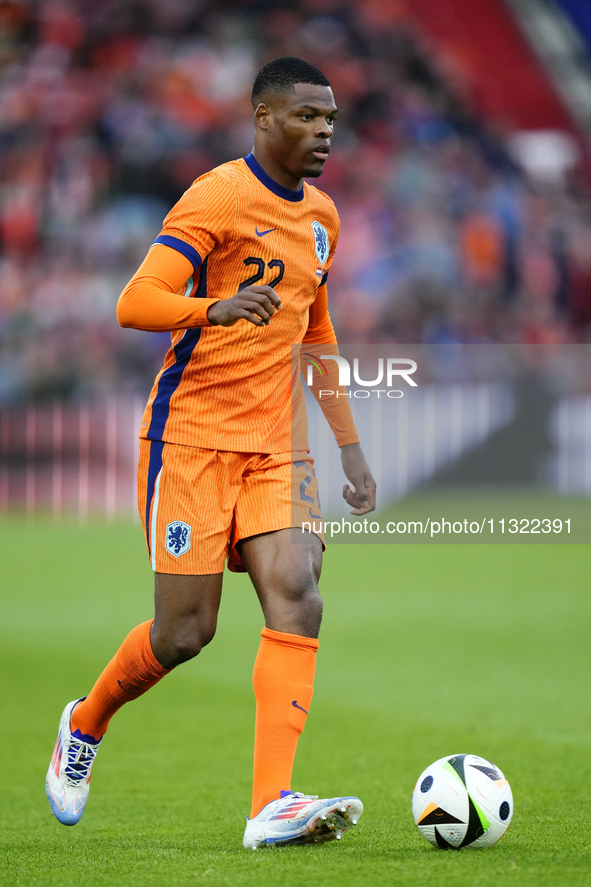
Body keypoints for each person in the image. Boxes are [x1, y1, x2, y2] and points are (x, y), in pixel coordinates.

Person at [45, 56, 375, 850]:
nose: (323, 130)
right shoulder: (217, 195)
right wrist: (213, 307)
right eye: (305, 116)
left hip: (275, 446)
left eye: (329, 118)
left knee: (298, 588)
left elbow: (316, 332)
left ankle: (271, 802)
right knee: (184, 634)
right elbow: (135, 301)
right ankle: (84, 721)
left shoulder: (323, 216)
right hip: (189, 439)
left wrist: (349, 446)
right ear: (262, 118)